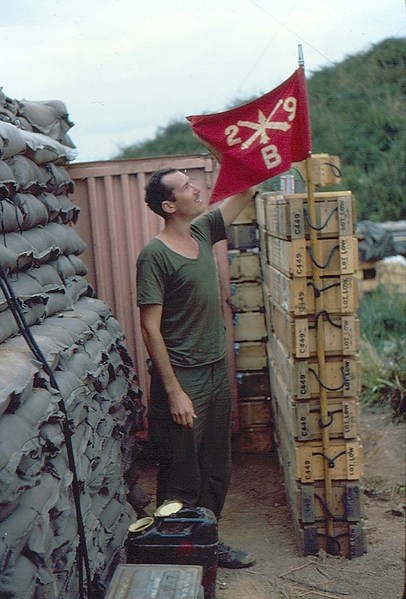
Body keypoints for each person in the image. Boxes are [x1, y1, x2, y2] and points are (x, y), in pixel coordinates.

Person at [136, 166, 257, 569]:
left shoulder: (202, 231)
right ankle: (174, 551)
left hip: (215, 371)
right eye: (187, 187)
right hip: (184, 377)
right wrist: (173, 390)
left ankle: (207, 542)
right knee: (180, 472)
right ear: (169, 205)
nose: (197, 188)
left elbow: (247, 190)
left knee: (216, 466)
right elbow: (150, 329)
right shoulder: (154, 255)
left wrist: (226, 152)